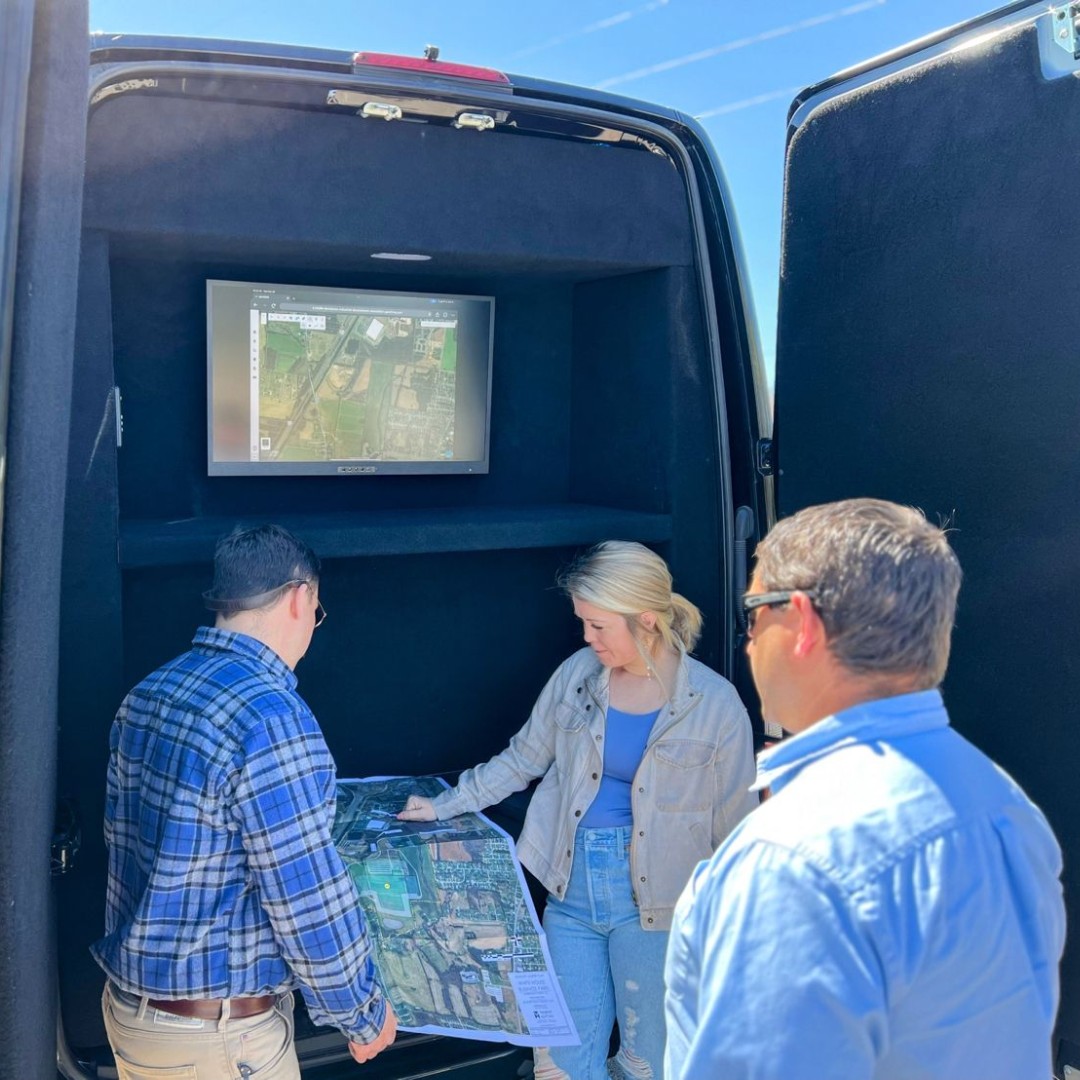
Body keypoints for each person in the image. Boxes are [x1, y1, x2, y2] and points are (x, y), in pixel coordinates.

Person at [665, 499, 1066, 1080]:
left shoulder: (793, 857)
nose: (748, 640)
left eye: (753, 613)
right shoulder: (1004, 805)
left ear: (801, 621)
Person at [397, 540, 757, 1080]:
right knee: (560, 1061)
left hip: (659, 908)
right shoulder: (579, 676)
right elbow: (523, 757)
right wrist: (448, 803)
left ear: (648, 621)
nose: (587, 638)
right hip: (570, 895)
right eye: (582, 624)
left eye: (598, 626)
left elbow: (735, 831)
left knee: (648, 1065)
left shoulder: (717, 704)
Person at [91, 524, 396, 1079]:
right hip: (217, 1038)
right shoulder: (271, 718)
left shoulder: (151, 691)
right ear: (301, 597)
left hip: (137, 1019)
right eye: (317, 613)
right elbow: (305, 897)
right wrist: (363, 1012)